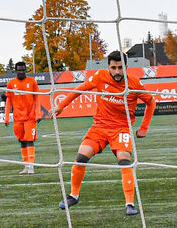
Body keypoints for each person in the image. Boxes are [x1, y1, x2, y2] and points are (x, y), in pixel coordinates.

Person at [51, 51, 157, 216]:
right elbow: (79, 90)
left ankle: (130, 203)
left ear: (126, 68)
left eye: (120, 68)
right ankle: (73, 195)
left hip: (121, 128)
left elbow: (151, 103)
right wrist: (61, 106)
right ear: (108, 66)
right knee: (81, 158)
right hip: (99, 127)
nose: (116, 72)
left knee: (124, 161)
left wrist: (144, 128)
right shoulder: (100, 76)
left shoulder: (134, 84)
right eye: (113, 67)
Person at [3, 61, 41, 174]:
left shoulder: (32, 82)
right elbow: (8, 100)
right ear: (16, 71)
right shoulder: (11, 83)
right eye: (19, 70)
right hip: (17, 119)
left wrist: (38, 114)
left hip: (30, 117)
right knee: (22, 141)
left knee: (30, 140)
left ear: (25, 70)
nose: (21, 72)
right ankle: (26, 166)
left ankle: (31, 166)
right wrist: (6, 117)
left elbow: (37, 98)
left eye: (23, 70)